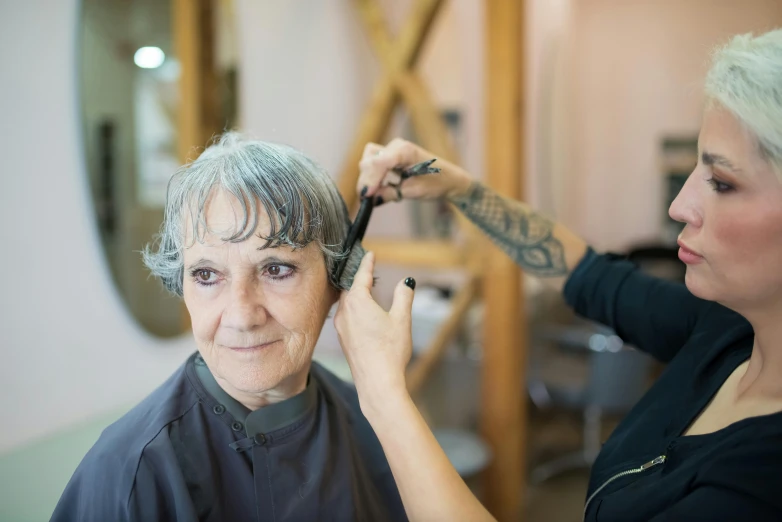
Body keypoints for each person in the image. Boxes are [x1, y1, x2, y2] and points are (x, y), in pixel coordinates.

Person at [334, 29, 782, 521]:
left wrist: (382, 395)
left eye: (722, 182)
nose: (679, 206)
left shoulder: (760, 483)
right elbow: (588, 274)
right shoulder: (728, 331)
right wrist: (458, 188)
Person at [51, 133, 406, 522]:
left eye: (276, 269)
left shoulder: (379, 422)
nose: (241, 315)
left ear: (339, 279)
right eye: (206, 274)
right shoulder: (128, 473)